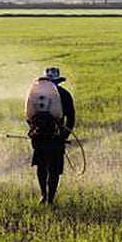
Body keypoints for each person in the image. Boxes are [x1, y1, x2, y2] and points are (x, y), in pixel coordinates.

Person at [25, 67, 76, 205]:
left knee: (41, 166)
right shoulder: (65, 94)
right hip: (56, 138)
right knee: (54, 170)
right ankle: (50, 199)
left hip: (39, 137)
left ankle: (43, 194)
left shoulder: (35, 94)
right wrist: (64, 135)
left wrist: (33, 130)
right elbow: (71, 119)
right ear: (58, 81)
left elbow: (28, 115)